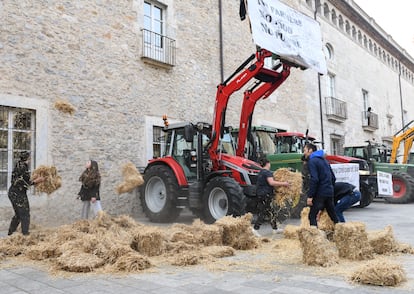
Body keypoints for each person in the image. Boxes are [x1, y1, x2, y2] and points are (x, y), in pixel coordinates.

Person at [8, 151, 45, 236]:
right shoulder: (23, 166)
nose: (30, 159)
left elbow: (23, 178)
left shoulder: (18, 164)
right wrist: (37, 181)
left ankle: (11, 233)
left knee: (18, 214)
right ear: (27, 158)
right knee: (25, 214)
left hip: (13, 192)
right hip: (18, 193)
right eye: (29, 157)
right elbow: (25, 183)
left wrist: (33, 179)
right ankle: (25, 235)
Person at [304, 143, 339, 227]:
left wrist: (310, 196)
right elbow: (333, 178)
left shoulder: (312, 161)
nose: (304, 153)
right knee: (333, 216)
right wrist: (329, 188)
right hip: (329, 192)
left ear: (310, 150)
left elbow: (314, 179)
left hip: (320, 193)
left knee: (312, 216)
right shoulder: (325, 161)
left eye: (305, 150)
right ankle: (341, 231)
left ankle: (315, 238)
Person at [253, 158, 289, 233]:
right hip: (266, 194)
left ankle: (275, 228)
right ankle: (255, 229)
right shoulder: (267, 172)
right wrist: (284, 184)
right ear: (268, 163)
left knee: (271, 212)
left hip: (260, 194)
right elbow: (271, 183)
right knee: (263, 212)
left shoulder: (261, 172)